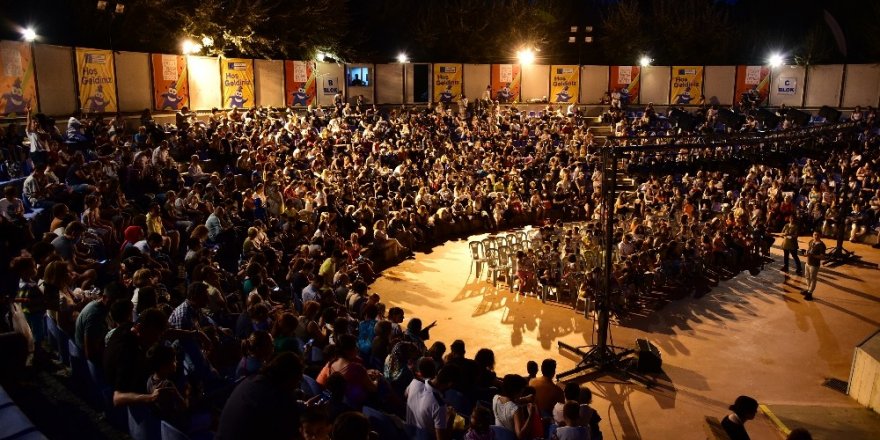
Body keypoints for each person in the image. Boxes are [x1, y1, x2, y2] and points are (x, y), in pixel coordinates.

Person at [216, 352, 305, 440]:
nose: (297, 385)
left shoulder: (250, 382)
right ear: (291, 379)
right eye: (298, 380)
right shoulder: (280, 399)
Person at [406, 364, 460, 440]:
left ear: (439, 371)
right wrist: (451, 418)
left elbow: (406, 395)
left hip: (407, 433)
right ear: (450, 384)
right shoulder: (439, 406)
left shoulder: (415, 382)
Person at [802, 231, 825, 301]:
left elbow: (822, 257)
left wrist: (813, 255)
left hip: (814, 265)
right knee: (807, 277)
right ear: (812, 235)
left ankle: (810, 293)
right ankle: (808, 289)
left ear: (820, 236)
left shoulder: (822, 245)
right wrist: (806, 253)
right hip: (808, 262)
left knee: (813, 279)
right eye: (815, 235)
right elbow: (808, 249)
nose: (816, 236)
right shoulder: (811, 241)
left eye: (818, 235)